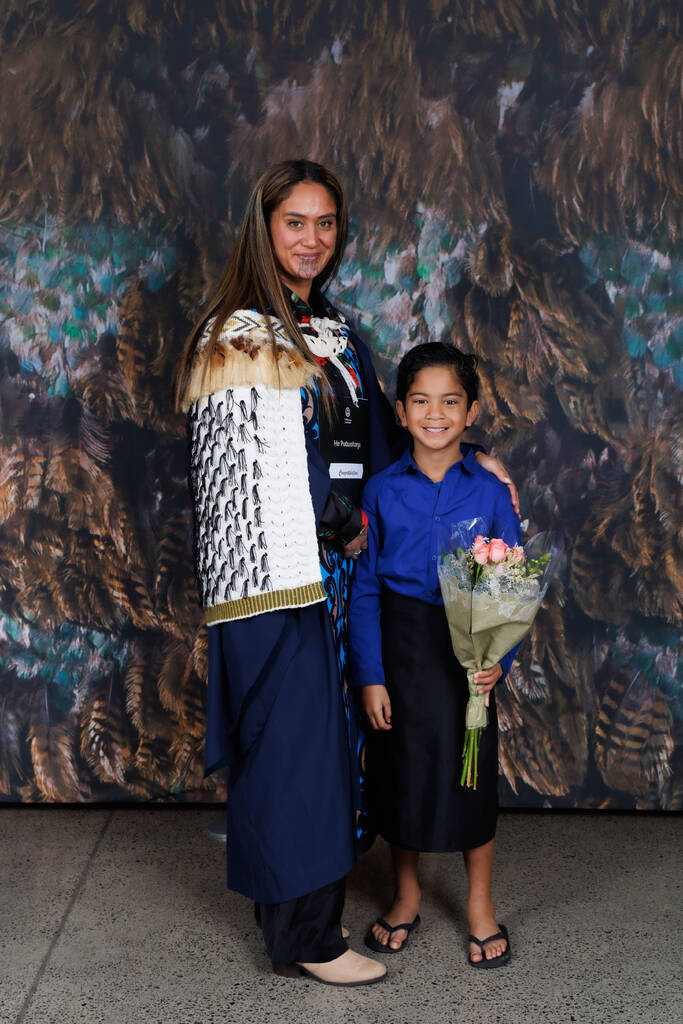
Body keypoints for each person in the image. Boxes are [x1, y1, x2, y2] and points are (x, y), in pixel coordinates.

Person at [173, 160, 518, 986]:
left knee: (329, 747)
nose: (312, 239)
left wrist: (472, 459)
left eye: (326, 223)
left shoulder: (330, 329)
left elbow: (392, 442)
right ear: (265, 227)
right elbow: (247, 470)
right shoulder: (236, 333)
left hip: (341, 578)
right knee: (291, 745)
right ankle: (307, 938)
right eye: (295, 221)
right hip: (281, 576)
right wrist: (337, 520)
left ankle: (306, 914)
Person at [348, 341, 521, 969]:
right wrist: (370, 675)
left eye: (450, 401)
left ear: (470, 411)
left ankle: (479, 904)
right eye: (420, 401)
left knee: (470, 774)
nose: (435, 413)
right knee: (404, 773)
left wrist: (500, 656)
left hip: (469, 647)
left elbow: (513, 581)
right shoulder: (381, 491)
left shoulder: (491, 490)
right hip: (403, 646)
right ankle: (407, 895)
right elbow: (364, 589)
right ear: (400, 411)